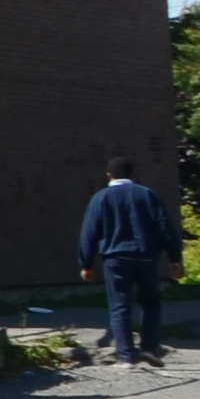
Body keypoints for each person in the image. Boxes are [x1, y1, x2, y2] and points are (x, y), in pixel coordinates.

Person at [77, 155, 177, 369]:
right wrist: (174, 257)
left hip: (116, 258)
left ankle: (126, 357)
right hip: (146, 255)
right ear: (132, 175)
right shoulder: (147, 194)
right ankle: (149, 347)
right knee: (151, 302)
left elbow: (89, 232)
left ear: (109, 175)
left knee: (120, 306)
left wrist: (86, 263)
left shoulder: (101, 198)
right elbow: (165, 226)